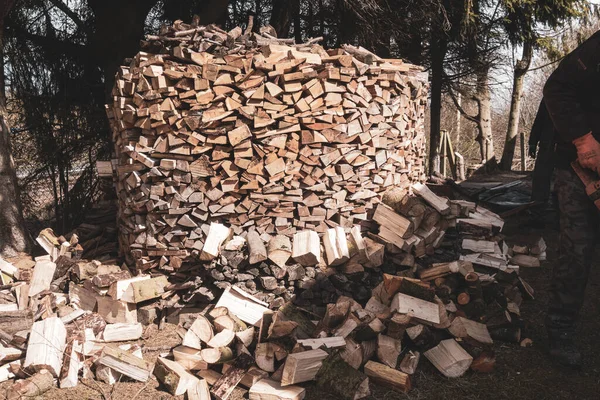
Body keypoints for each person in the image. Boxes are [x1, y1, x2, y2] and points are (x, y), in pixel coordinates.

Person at [542, 30, 600, 368]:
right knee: (577, 250)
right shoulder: (596, 50)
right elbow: (557, 89)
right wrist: (582, 139)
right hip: (579, 167)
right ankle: (560, 331)